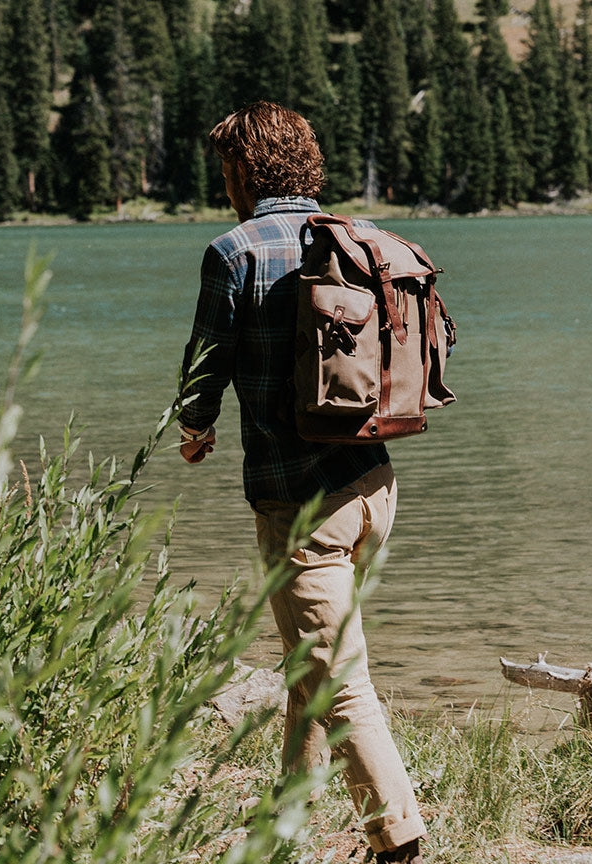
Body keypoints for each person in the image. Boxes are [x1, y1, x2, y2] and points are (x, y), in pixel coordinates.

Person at [177, 101, 427, 864]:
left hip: (300, 504)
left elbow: (202, 367)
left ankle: (401, 839)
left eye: (228, 169)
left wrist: (195, 431)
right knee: (311, 661)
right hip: (374, 485)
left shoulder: (235, 251)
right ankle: (286, 825)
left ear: (243, 171)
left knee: (337, 676)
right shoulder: (357, 239)